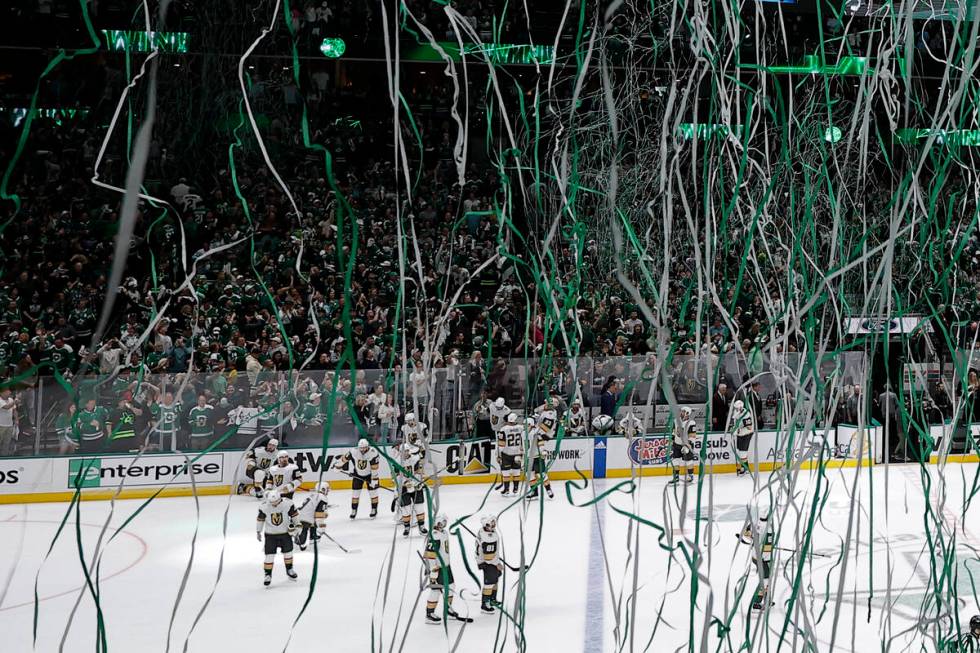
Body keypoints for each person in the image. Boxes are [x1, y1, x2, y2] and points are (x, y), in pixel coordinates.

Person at [422, 513, 470, 624]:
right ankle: (429, 614)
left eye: (444, 522)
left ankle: (447, 609)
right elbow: (430, 554)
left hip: (446, 566)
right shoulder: (434, 535)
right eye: (440, 522)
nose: (442, 524)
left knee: (451, 586)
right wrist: (433, 571)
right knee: (436, 590)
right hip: (438, 568)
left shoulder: (443, 533)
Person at [256, 489, 299, 587]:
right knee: (269, 556)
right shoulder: (264, 506)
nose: (274, 504)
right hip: (270, 535)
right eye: (272, 503)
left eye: (276, 502)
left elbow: (294, 516)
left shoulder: (288, 504)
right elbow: (260, 519)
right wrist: (258, 531)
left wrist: (298, 525)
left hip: (285, 533)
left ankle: (289, 569)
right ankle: (267, 574)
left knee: (288, 553)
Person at [332, 438, 381, 519]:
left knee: (373, 493)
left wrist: (374, 479)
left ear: (368, 446)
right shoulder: (354, 451)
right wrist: (338, 465)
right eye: (361, 448)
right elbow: (344, 459)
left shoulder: (373, 452)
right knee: (355, 494)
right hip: (357, 474)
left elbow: (374, 467)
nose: (362, 449)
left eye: (364, 447)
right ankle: (354, 510)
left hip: (370, 475)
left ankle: (374, 509)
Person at [738, 507, 774, 610]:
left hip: (755, 556)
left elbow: (746, 532)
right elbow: (767, 547)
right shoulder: (769, 528)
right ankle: (756, 602)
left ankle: (767, 600)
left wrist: (754, 540)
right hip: (762, 559)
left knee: (766, 579)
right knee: (766, 579)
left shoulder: (755, 523)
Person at [398, 442, 428, 537]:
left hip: (415, 486)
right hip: (403, 488)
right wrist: (405, 484)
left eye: (407, 451)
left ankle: (421, 527)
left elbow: (418, 472)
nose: (406, 453)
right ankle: (406, 527)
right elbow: (395, 477)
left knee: (419, 507)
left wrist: (418, 483)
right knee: (405, 509)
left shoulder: (415, 459)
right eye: (404, 451)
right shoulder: (396, 461)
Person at [475, 514, 502, 614]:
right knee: (489, 583)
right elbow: (488, 557)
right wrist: (497, 563)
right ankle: (485, 604)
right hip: (488, 563)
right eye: (492, 523)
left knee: (495, 580)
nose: (494, 525)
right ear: (486, 524)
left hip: (491, 561)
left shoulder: (485, 532)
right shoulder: (487, 537)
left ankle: (492, 599)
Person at [294, 482, 329, 551]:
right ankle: (300, 544)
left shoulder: (313, 495)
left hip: (299, 514)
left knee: (306, 527)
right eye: (327, 489)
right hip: (306, 517)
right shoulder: (323, 498)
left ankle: (312, 537)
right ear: (323, 489)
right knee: (306, 527)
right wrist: (321, 529)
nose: (328, 490)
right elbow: (318, 515)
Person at [527, 412, 554, 500]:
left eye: (526, 425)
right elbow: (522, 446)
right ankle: (534, 493)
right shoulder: (523, 433)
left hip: (537, 457)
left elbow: (540, 442)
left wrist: (543, 451)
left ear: (531, 425)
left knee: (541, 474)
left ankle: (548, 489)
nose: (525, 427)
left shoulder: (535, 433)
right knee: (530, 476)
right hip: (528, 458)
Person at [496, 413, 524, 496]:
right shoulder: (521, 428)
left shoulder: (504, 429)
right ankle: (515, 489)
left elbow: (501, 444)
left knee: (506, 472)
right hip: (518, 453)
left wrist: (498, 455)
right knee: (516, 472)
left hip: (506, 453)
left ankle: (506, 489)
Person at [671, 406, 698, 484]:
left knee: (688, 461)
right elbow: (673, 432)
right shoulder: (676, 420)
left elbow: (692, 435)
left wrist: (687, 445)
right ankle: (676, 478)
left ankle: (691, 476)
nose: (681, 413)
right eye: (681, 411)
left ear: (687, 413)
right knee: (675, 460)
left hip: (687, 445)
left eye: (683, 411)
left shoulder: (691, 423)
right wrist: (671, 441)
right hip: (677, 444)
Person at [727, 399, 754, 475]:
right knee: (740, 451)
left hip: (746, 434)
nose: (735, 409)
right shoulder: (737, 413)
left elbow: (749, 427)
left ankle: (745, 468)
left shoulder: (746, 414)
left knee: (743, 452)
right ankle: (745, 467)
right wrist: (733, 428)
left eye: (736, 408)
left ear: (740, 407)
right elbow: (735, 423)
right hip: (740, 434)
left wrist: (739, 429)